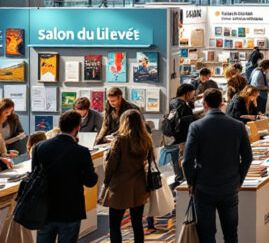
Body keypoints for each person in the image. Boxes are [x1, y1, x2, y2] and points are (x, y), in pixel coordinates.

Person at [182, 90, 253, 243]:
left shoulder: (196, 126)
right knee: (231, 233)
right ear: (222, 103)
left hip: (203, 187)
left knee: (206, 235)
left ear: (204, 103)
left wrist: (191, 183)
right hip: (230, 186)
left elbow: (187, 161)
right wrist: (239, 180)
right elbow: (248, 157)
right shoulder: (238, 126)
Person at [32, 110, 99, 243]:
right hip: (70, 208)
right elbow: (90, 181)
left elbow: (35, 175)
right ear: (77, 128)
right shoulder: (82, 152)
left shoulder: (39, 147)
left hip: (45, 207)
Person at [103, 109, 153, 243]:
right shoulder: (146, 140)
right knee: (137, 224)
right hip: (139, 186)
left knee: (114, 225)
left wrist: (106, 182)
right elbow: (151, 161)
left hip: (119, 186)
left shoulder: (119, 140)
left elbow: (111, 166)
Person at [164, 83, 198, 188]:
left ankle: (176, 183)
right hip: (182, 138)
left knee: (175, 164)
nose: (193, 96)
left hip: (170, 138)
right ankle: (181, 186)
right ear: (187, 93)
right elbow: (189, 123)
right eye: (192, 94)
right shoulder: (183, 106)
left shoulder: (171, 102)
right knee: (181, 162)